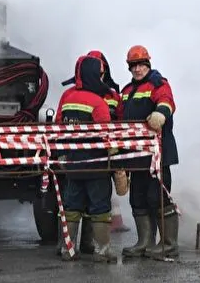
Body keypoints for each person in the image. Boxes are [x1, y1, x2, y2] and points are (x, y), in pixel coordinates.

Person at [117, 45, 179, 259]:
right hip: (137, 155)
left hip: (157, 154)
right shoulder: (126, 91)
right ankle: (144, 243)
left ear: (148, 64)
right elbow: (119, 117)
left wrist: (160, 114)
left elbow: (167, 101)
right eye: (133, 65)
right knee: (138, 198)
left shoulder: (157, 84)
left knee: (158, 197)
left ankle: (168, 244)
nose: (137, 69)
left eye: (140, 64)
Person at [62, 50, 126, 256]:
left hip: (72, 166)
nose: (101, 78)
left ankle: (67, 250)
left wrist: (62, 156)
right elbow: (108, 135)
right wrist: (116, 161)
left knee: (71, 208)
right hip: (97, 166)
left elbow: (57, 129)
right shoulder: (98, 101)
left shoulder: (67, 96)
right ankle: (102, 252)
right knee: (99, 208)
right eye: (99, 74)